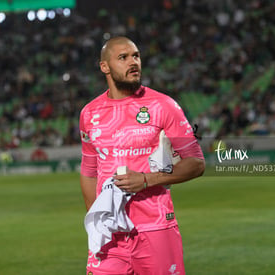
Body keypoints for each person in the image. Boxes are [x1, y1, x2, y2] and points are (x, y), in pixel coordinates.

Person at [79, 36, 205, 275]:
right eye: (123, 57)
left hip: (155, 227)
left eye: (136, 56)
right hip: (110, 237)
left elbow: (196, 163)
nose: (133, 62)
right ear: (104, 66)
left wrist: (147, 180)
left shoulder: (163, 105)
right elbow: (88, 170)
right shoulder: (89, 113)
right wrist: (97, 219)